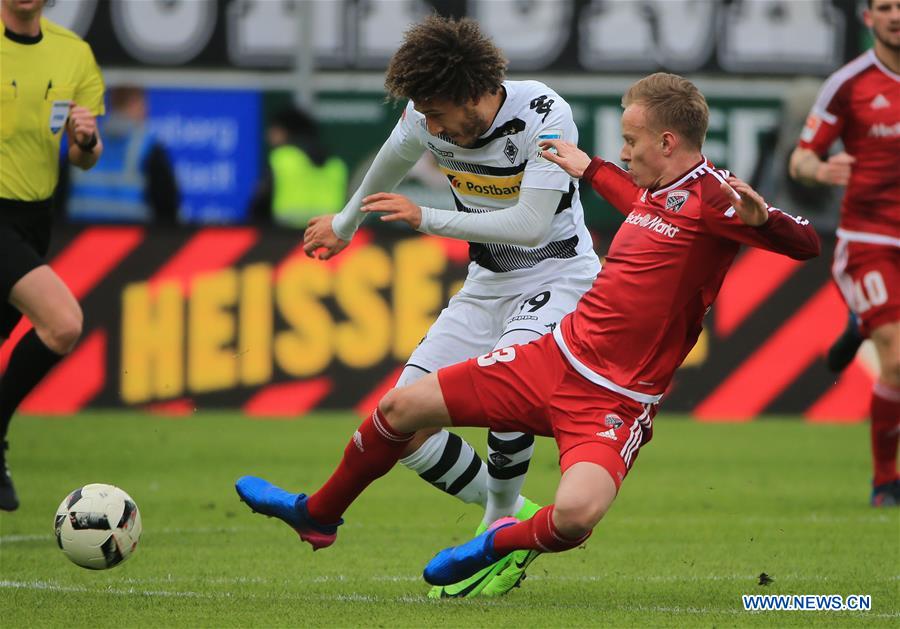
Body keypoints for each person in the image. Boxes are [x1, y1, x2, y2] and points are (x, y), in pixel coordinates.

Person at [236, 73, 819, 587]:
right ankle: (319, 514)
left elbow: (806, 241)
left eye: (631, 141)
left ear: (667, 142)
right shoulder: (652, 191)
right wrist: (591, 168)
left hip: (617, 399)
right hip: (555, 358)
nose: (623, 150)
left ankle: (496, 538)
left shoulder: (715, 197)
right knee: (398, 409)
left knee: (575, 519)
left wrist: (764, 220)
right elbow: (637, 196)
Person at [291, 15, 602, 597]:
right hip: (487, 282)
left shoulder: (543, 115)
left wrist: (425, 216)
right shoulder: (427, 117)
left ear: (471, 93)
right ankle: (510, 515)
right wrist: (345, 222)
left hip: (558, 275)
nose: (430, 126)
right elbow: (393, 155)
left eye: (437, 113)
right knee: (401, 417)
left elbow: (532, 226)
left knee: (506, 385)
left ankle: (495, 532)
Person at [788, 0, 900, 506]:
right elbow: (802, 158)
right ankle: (885, 483)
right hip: (870, 238)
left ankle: (861, 324)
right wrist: (821, 170)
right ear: (868, 18)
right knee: (896, 359)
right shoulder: (850, 83)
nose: (896, 15)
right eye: (885, 7)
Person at [0, 0, 105, 511]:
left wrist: (85, 140)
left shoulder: (72, 54)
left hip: (32, 218)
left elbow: (84, 157)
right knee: (62, 322)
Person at [66, 85, 179, 224]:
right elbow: (167, 209)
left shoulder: (81, 141)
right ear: (135, 103)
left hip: (76, 241)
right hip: (136, 243)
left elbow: (57, 200)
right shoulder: (150, 149)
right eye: (143, 104)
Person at [249, 106, 347, 227]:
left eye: (273, 130)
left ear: (284, 131)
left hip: (282, 236)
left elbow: (261, 203)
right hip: (327, 235)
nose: (268, 136)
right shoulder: (336, 164)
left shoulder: (281, 158)